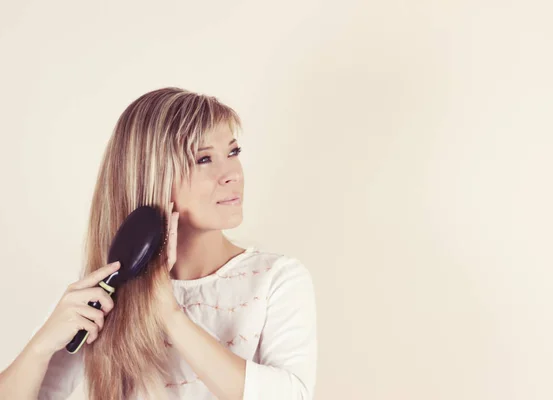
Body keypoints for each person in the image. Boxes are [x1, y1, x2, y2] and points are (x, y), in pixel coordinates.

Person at [0, 87, 318, 399]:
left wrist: (169, 315)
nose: (232, 173)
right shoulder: (106, 295)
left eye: (233, 152)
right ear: (153, 177)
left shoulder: (276, 279)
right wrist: (40, 347)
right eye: (204, 159)